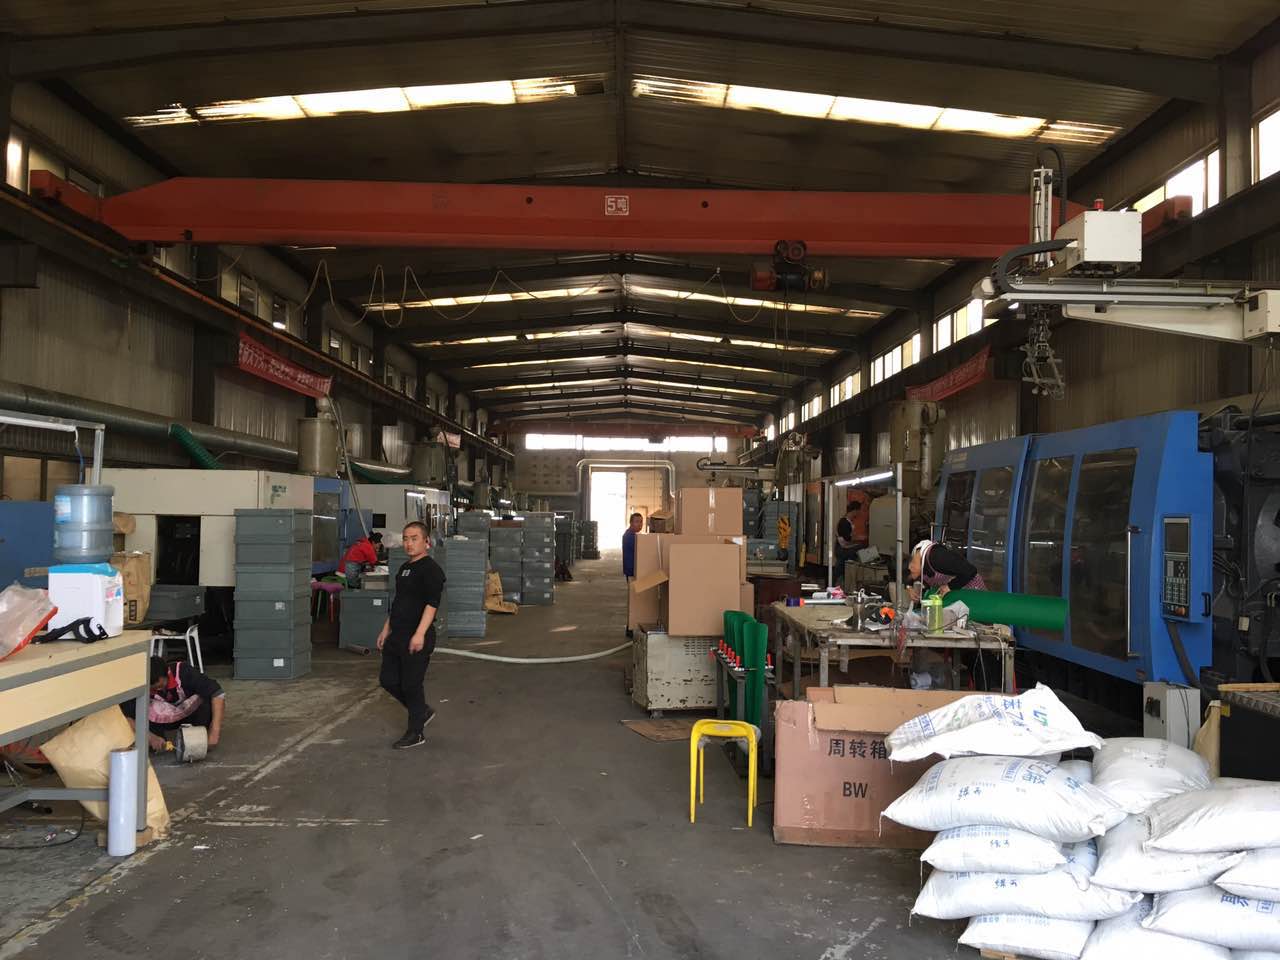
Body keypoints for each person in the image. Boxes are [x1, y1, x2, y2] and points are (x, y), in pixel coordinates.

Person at [375, 521, 446, 750]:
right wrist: (386, 629)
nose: (409, 543)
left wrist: (420, 634)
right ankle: (421, 711)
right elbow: (399, 602)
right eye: (406, 538)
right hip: (397, 634)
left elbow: (432, 604)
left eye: (414, 538)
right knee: (388, 680)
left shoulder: (432, 570)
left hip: (416, 635)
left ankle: (416, 732)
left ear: (426, 542)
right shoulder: (404, 569)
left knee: (411, 685)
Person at [123, 656, 226, 753]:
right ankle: (157, 739)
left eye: (162, 685)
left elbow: (217, 692)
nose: (160, 690)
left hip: (191, 713)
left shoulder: (183, 671)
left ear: (167, 673)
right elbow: (126, 716)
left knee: (208, 703)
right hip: (164, 719)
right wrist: (150, 737)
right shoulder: (140, 685)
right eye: (154, 688)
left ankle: (199, 732)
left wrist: (214, 732)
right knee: (147, 737)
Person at [907, 539, 986, 600]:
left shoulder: (937, 557)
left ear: (911, 566)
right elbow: (909, 577)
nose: (911, 577)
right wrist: (909, 587)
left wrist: (949, 586)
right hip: (954, 595)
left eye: (910, 573)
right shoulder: (918, 559)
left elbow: (970, 571)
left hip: (972, 589)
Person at [834, 501, 866, 570]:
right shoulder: (844, 522)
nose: (859, 513)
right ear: (854, 511)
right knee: (840, 569)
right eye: (859, 511)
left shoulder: (848, 521)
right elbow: (847, 538)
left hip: (843, 548)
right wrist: (859, 538)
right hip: (842, 549)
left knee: (841, 568)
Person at [621, 512, 644, 579]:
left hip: (633, 569)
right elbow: (642, 551)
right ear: (631, 523)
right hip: (632, 571)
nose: (640, 524)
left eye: (641, 522)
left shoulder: (633, 534)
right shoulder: (630, 536)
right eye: (637, 521)